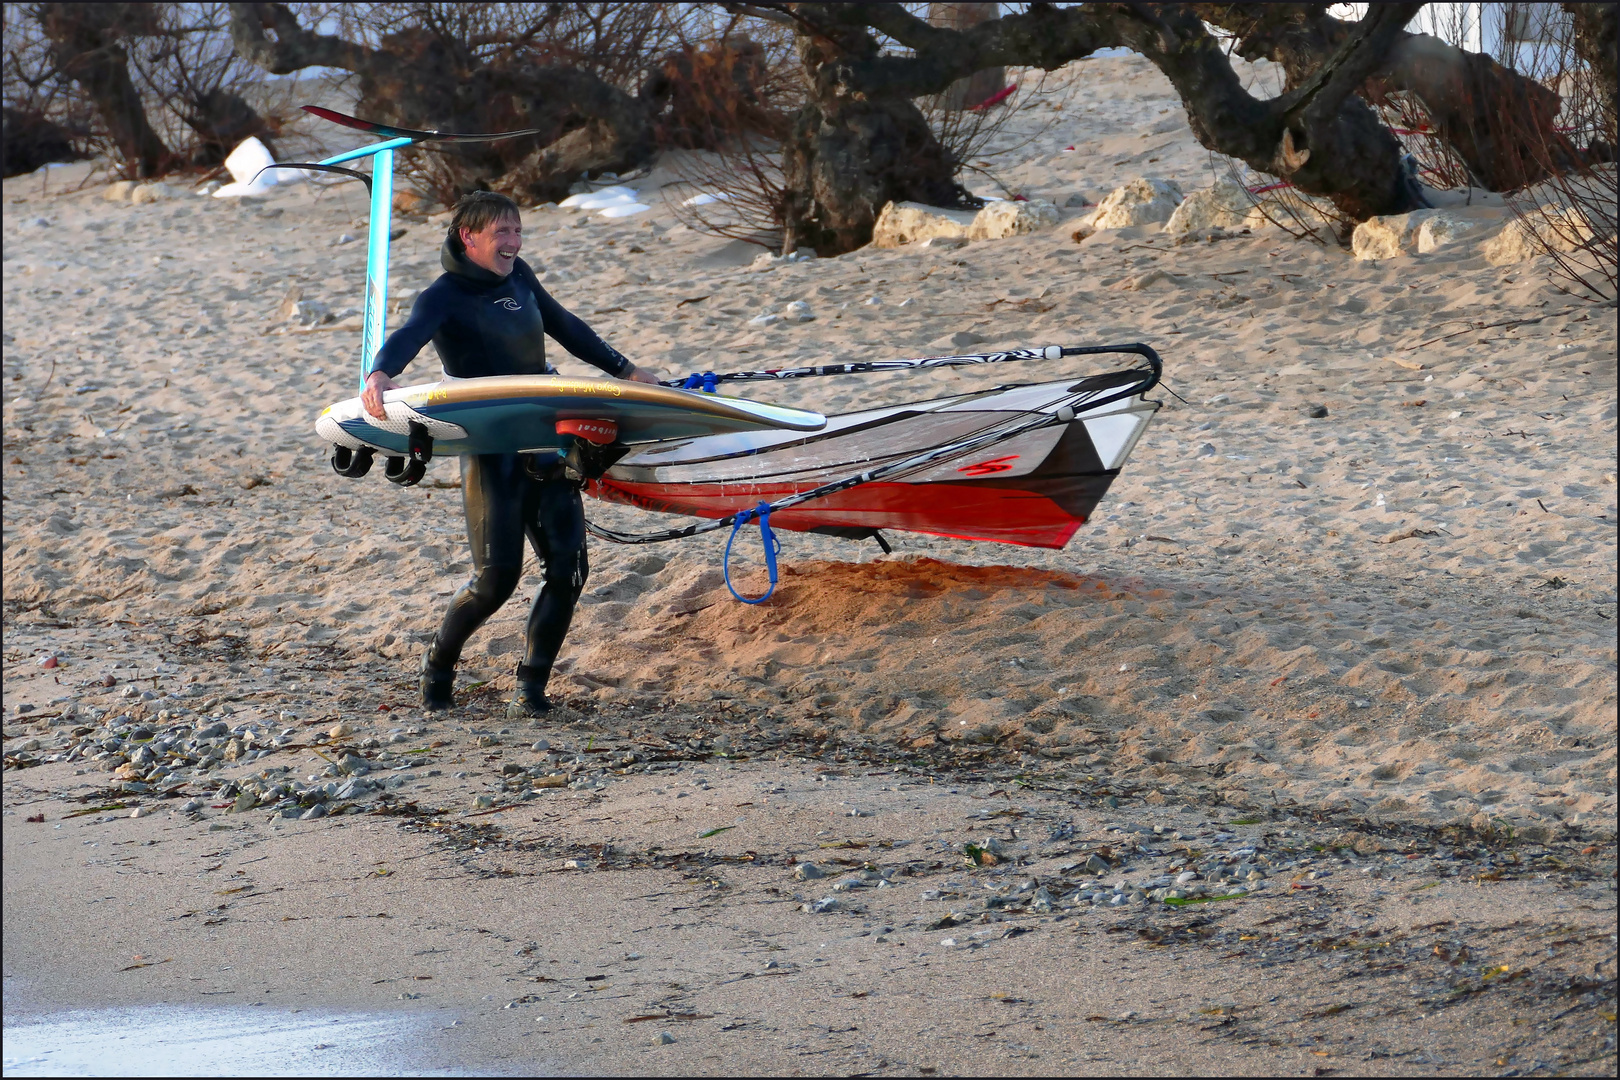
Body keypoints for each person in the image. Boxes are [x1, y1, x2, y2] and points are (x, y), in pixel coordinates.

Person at [363, 190, 660, 714]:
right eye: (502, 232)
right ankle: (438, 668)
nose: (513, 242)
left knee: (567, 569)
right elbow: (409, 336)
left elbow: (566, 326)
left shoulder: (521, 276)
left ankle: (531, 687)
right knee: (495, 579)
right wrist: (381, 373)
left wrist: (626, 370)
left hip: (544, 436)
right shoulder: (443, 295)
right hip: (489, 445)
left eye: (518, 231)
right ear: (468, 237)